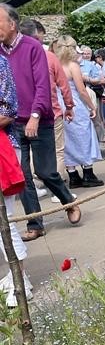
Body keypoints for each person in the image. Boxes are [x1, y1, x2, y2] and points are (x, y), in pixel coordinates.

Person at [0, 2, 81, 240]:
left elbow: (43, 87)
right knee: (22, 175)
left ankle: (68, 201)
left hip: (39, 119)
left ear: (12, 24)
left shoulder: (33, 47)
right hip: (12, 123)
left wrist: (35, 116)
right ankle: (35, 223)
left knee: (45, 172)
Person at [0, 53, 33, 306]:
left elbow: (8, 111)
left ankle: (21, 278)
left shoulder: (0, 64)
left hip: (4, 146)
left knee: (6, 218)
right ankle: (13, 275)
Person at [18, 18, 74, 165]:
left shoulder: (15, 57)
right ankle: (56, 183)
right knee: (57, 151)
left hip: (23, 113)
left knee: (28, 152)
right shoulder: (49, 56)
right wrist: (69, 106)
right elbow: (64, 85)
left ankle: (36, 184)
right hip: (50, 112)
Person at [51, 35, 104, 188]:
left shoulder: (55, 65)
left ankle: (73, 175)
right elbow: (81, 90)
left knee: (66, 141)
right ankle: (88, 172)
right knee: (84, 136)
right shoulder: (73, 66)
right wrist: (91, 106)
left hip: (59, 104)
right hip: (74, 104)